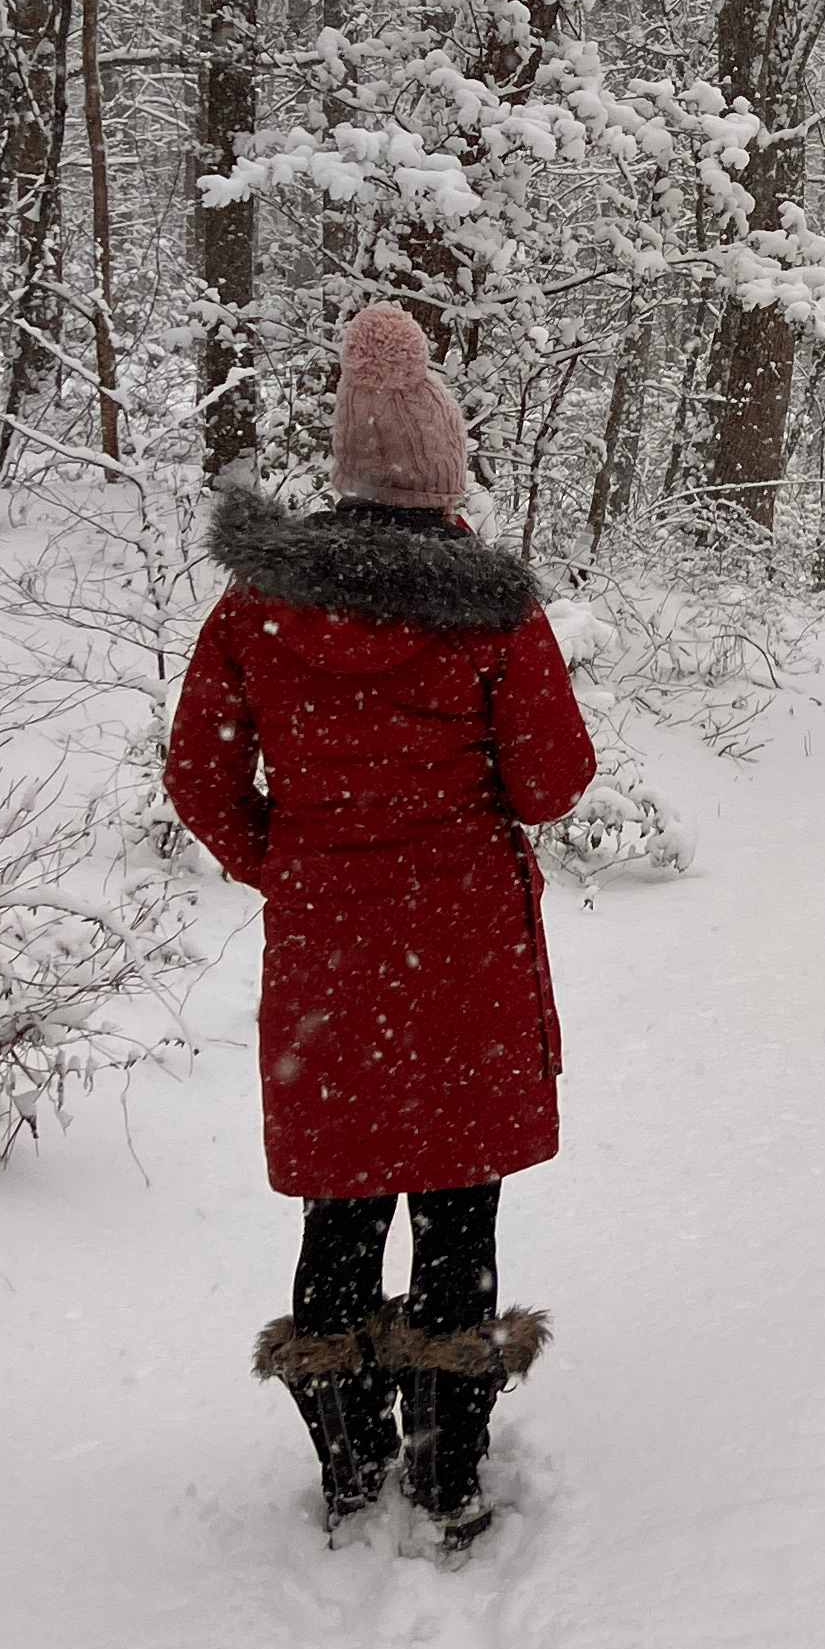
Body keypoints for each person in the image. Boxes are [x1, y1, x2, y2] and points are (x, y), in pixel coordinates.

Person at [165, 302, 598, 1551]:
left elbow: (198, 774)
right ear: (444, 476)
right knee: (459, 1211)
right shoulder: (494, 612)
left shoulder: (258, 610)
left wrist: (287, 865)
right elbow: (552, 783)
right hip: (460, 955)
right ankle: (448, 1477)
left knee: (342, 1211)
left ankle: (353, 1468)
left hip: (331, 963)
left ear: (345, 473)